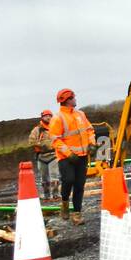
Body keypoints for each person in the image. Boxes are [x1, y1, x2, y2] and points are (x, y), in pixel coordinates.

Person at [48, 88, 95, 225]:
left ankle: (77, 214)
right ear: (67, 100)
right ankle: (64, 204)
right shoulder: (57, 119)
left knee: (79, 185)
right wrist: (69, 154)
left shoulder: (81, 114)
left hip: (82, 156)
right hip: (66, 158)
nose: (75, 99)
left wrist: (92, 144)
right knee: (68, 180)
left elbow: (89, 130)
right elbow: (55, 140)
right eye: (73, 97)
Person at [28, 110, 59, 201]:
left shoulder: (55, 128)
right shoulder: (37, 130)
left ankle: (56, 195)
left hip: (53, 155)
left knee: (54, 177)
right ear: (42, 117)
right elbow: (31, 141)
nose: (48, 117)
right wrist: (42, 145)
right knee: (44, 179)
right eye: (46, 116)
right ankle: (46, 196)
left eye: (50, 116)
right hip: (41, 157)